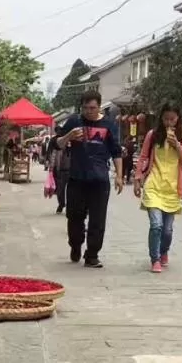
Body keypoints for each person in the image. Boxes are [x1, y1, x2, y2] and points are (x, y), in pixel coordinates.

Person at [56, 92, 123, 268]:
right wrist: (69, 136)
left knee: (98, 219)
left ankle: (92, 255)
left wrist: (119, 176)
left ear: (99, 106)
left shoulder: (109, 124)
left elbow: (116, 152)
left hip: (100, 180)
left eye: (92, 108)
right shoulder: (74, 121)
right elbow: (57, 144)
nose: (88, 111)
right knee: (74, 217)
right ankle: (75, 245)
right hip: (77, 178)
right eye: (85, 108)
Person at [133, 102, 182, 273]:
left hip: (172, 188)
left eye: (172, 119)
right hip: (154, 184)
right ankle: (155, 259)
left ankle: (163, 251)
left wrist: (177, 145)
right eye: (166, 119)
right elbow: (143, 157)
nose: (169, 122)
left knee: (167, 230)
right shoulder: (153, 135)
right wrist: (138, 178)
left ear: (178, 119)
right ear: (161, 118)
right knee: (156, 225)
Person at [47, 133, 70, 214]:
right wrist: (51, 168)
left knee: (71, 190)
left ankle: (70, 206)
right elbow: (53, 156)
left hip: (72, 171)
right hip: (60, 170)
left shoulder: (73, 145)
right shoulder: (57, 146)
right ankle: (61, 204)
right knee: (60, 189)